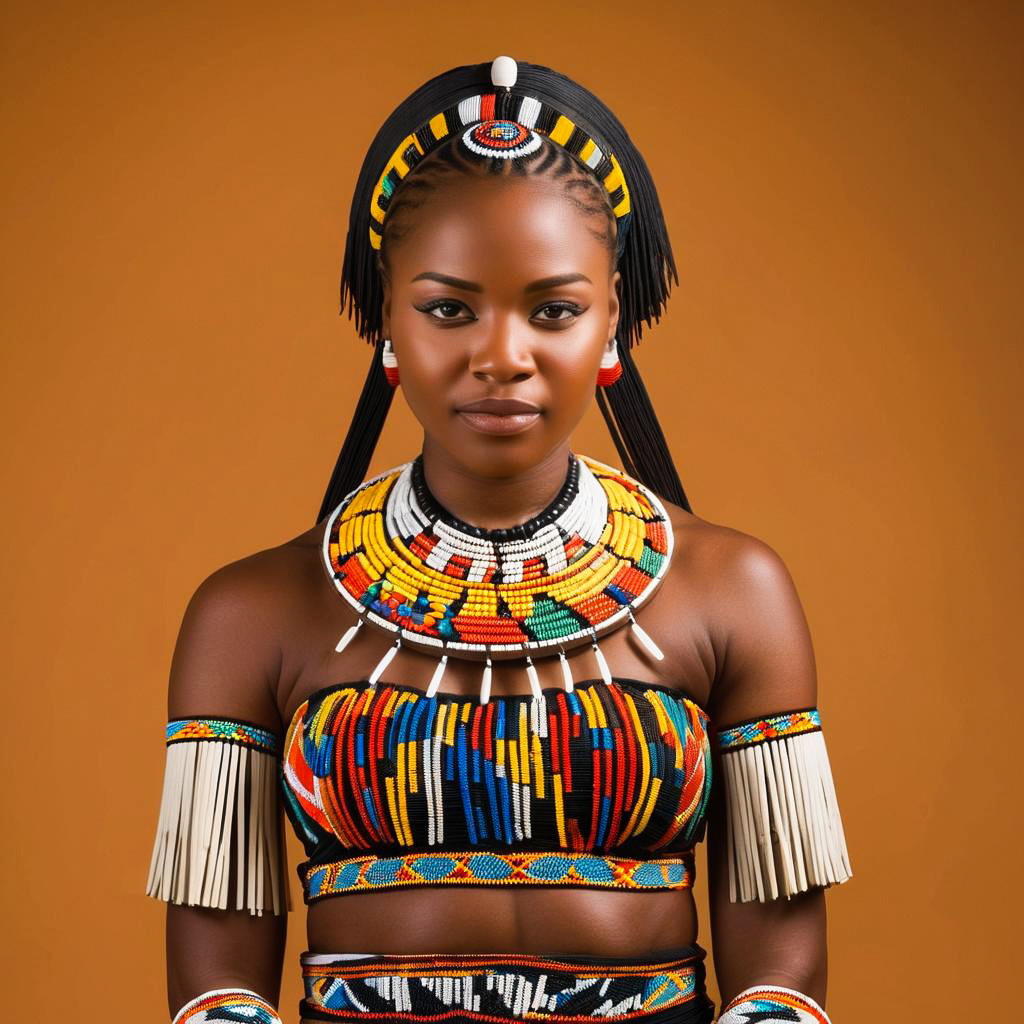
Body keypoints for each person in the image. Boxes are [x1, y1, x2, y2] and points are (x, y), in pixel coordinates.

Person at [145, 57, 853, 1024]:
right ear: (388, 327)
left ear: (612, 329)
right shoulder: (251, 613)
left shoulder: (735, 593)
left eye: (554, 310)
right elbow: (218, 993)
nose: (501, 357)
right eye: (447, 308)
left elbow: (779, 984)